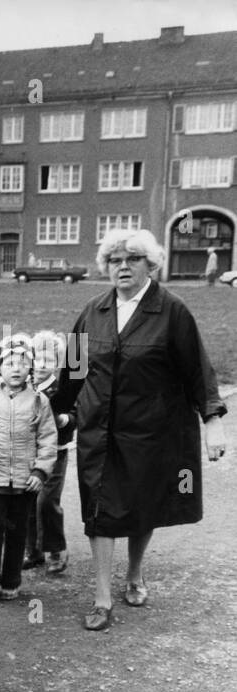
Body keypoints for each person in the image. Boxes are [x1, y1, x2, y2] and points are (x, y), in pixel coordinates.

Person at [51, 228, 227, 631]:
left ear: (151, 264)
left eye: (132, 258)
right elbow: (73, 372)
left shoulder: (172, 310)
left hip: (151, 430)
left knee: (140, 505)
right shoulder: (92, 311)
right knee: (99, 510)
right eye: (115, 260)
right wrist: (53, 413)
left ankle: (134, 573)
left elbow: (197, 370)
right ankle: (101, 597)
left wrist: (212, 422)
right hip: (99, 429)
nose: (123, 267)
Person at [0, 335, 56, 604]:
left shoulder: (39, 400)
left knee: (17, 528)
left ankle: (11, 580)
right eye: (9, 363)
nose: (16, 368)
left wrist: (40, 472)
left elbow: (47, 438)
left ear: (30, 367)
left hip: (25, 479)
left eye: (22, 362)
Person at [24, 331, 75, 574]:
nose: (43, 364)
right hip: (29, 454)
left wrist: (64, 419)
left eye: (49, 360)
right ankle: (33, 551)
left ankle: (56, 549)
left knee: (46, 502)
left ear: (57, 364)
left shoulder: (61, 389)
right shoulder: (24, 385)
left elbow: (77, 414)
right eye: (38, 359)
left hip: (56, 452)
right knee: (29, 501)